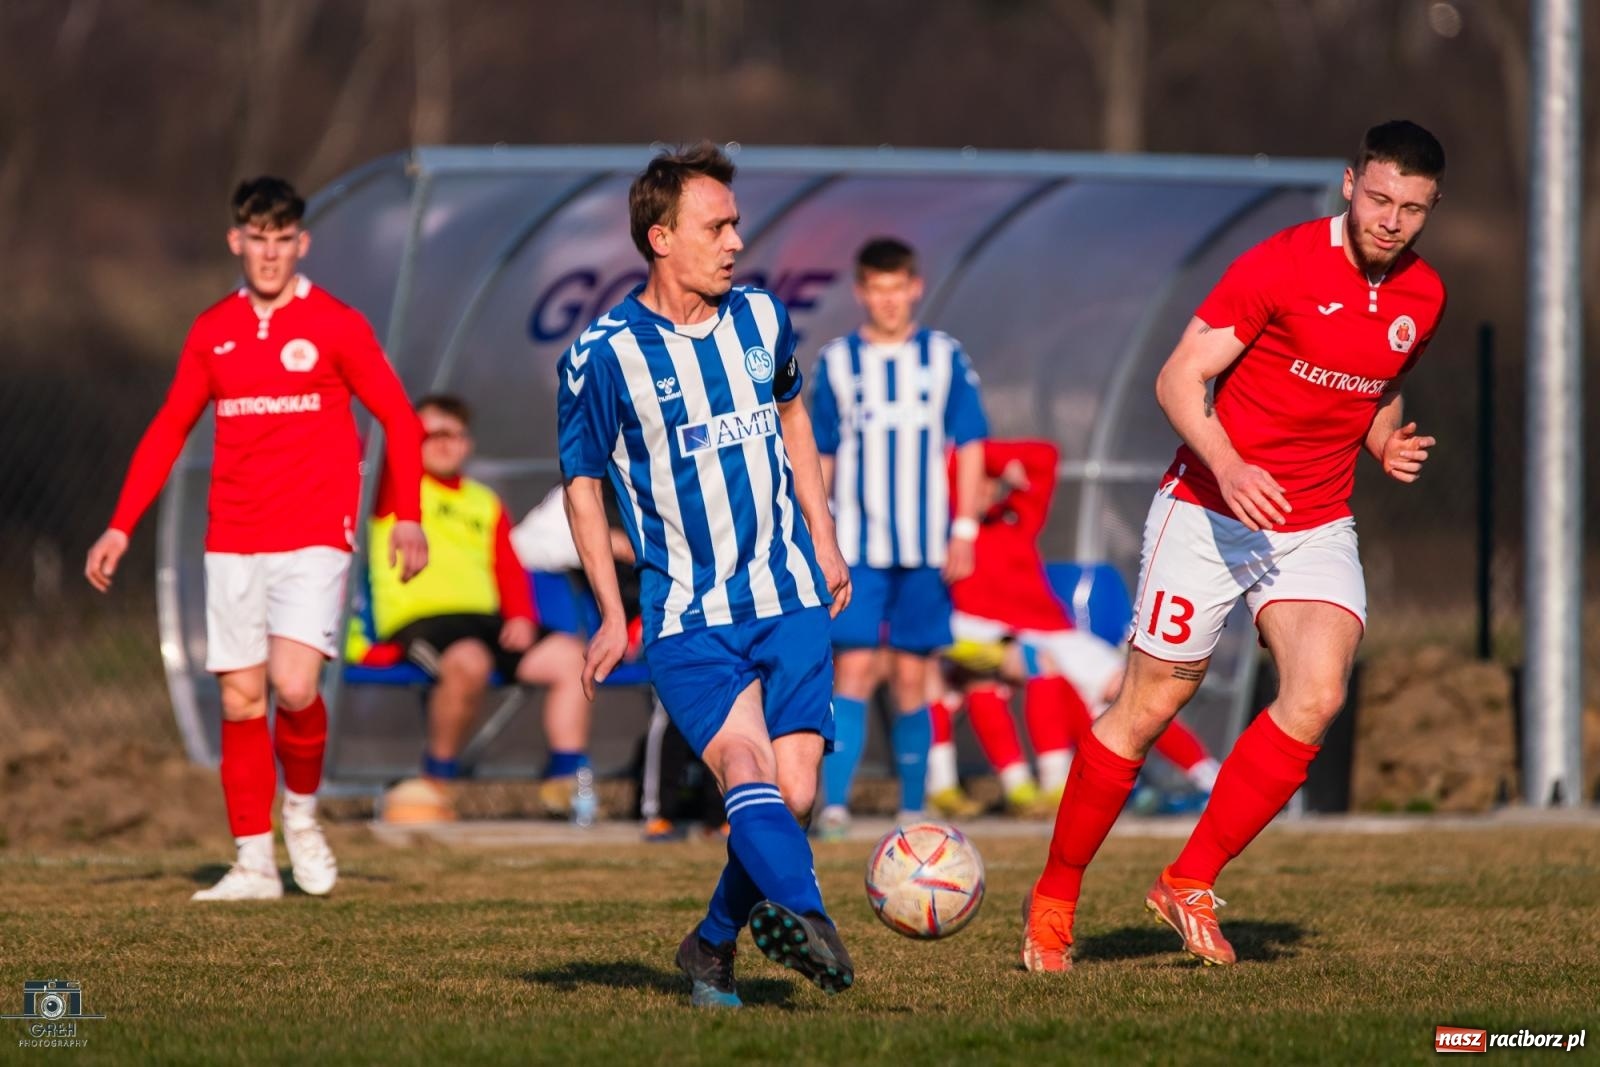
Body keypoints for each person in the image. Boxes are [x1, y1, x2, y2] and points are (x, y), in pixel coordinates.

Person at [1021, 120, 1447, 972]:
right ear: (1349, 181)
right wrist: (1230, 461)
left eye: (1413, 208)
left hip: (1313, 519)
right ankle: (1055, 896)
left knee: (1318, 694)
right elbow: (1179, 378)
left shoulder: (1423, 296)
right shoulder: (1281, 263)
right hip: (1210, 508)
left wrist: (1383, 442)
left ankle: (1190, 877)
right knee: (1149, 706)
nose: (1392, 221)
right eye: (1379, 198)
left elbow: (1378, 388)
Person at [557, 142, 855, 1008]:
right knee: (742, 764)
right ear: (660, 237)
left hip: (790, 592)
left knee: (793, 790)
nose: (735, 239)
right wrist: (613, 614)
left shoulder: (762, 319)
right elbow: (581, 486)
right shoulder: (604, 354)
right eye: (714, 225)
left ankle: (711, 944)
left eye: (735, 222)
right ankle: (809, 915)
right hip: (688, 615)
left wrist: (825, 536)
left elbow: (794, 413)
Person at [84, 176, 429, 900]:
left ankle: (301, 816)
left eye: (282, 240)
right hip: (234, 533)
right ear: (236, 241)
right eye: (257, 239)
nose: (269, 254)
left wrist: (406, 515)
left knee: (295, 683)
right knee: (242, 700)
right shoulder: (213, 330)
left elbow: (401, 419)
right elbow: (170, 427)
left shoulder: (336, 323)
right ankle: (252, 862)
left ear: (300, 243)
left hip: (314, 531)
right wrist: (120, 523)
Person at [930, 439, 1219, 818]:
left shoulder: (1013, 516)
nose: (983, 488)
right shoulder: (946, 530)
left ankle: (1209, 778)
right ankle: (1049, 787)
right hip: (991, 633)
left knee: (1130, 691)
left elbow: (1045, 456)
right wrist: (963, 463)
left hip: (1053, 631)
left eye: (988, 480)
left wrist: (993, 461)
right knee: (1030, 671)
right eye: (973, 480)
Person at [809, 237, 989, 837]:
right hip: (857, 547)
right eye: (876, 290)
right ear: (862, 293)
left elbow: (970, 446)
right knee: (854, 668)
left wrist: (963, 528)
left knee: (914, 674)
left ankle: (913, 809)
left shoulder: (944, 358)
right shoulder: (837, 362)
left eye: (898, 288)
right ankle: (833, 805)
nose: (888, 301)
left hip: (924, 547)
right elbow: (823, 453)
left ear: (915, 287)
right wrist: (819, 529)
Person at [368, 395, 590, 823]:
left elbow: (508, 568)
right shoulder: (393, 489)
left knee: (574, 659)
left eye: (454, 434)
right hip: (421, 620)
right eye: (430, 435)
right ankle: (435, 786)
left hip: (485, 621)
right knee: (468, 661)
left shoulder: (483, 501)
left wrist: (521, 616)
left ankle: (565, 785)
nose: (444, 444)